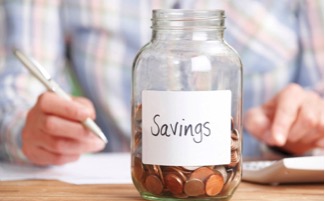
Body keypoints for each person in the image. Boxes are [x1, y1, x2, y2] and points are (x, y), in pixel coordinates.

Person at [0, 0, 323, 166]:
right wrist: (26, 128)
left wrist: (306, 128)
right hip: (117, 194)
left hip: (261, 194)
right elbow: (19, 82)